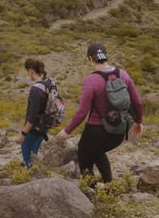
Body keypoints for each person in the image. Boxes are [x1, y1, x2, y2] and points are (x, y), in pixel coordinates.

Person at [56, 43, 143, 183]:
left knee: (85, 160)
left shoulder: (91, 80)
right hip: (119, 131)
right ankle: (109, 187)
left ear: (90, 59)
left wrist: (67, 131)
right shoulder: (123, 74)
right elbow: (138, 102)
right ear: (105, 56)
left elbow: (82, 112)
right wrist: (138, 122)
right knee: (98, 153)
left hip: (95, 131)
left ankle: (91, 193)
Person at [17, 58, 54, 167]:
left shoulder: (35, 90)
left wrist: (23, 134)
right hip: (45, 124)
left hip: (35, 127)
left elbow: (32, 116)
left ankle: (31, 174)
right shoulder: (49, 82)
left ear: (31, 71)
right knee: (34, 151)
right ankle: (33, 169)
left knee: (27, 150)